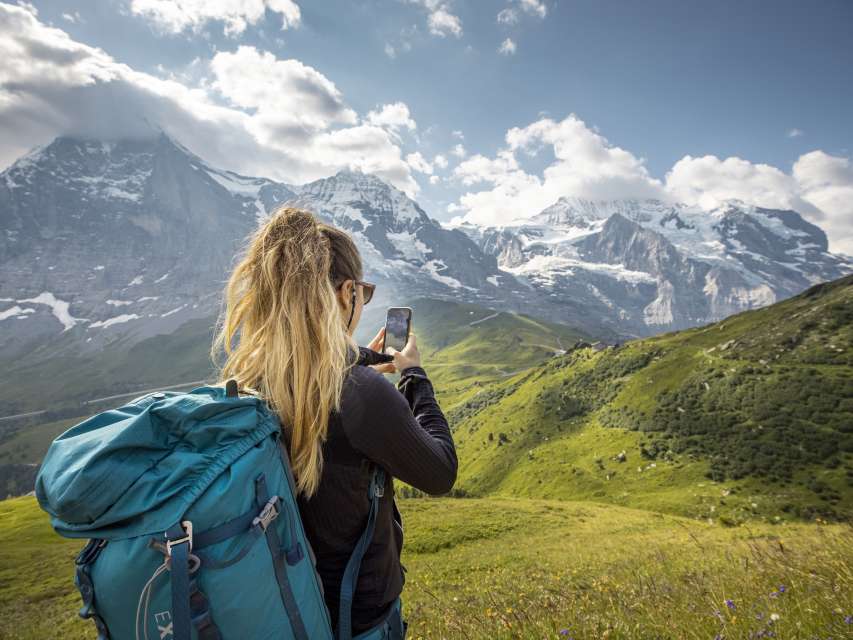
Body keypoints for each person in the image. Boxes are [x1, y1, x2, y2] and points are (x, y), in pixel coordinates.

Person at [211, 206, 458, 637]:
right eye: (363, 293)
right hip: (355, 618)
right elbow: (440, 472)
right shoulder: (359, 393)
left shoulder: (254, 375)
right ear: (347, 293)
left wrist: (358, 358)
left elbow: (317, 375)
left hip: (286, 608)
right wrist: (415, 377)